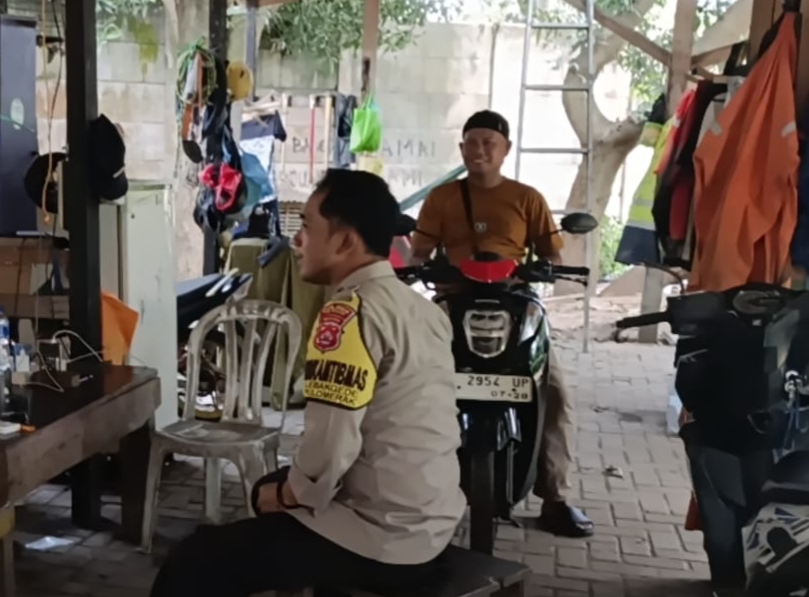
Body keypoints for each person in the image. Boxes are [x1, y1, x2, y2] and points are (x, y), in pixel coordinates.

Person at [150, 170, 464, 597]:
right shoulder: (422, 309)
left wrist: (287, 494)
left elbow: (331, 444)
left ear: (345, 241)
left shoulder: (348, 315)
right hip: (433, 519)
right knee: (271, 493)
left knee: (193, 561)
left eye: (308, 228)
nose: (296, 241)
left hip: (382, 536)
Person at [410, 109, 594, 538]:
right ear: (461, 148)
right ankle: (409, 483)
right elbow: (419, 253)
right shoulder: (442, 198)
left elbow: (553, 256)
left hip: (515, 302)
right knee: (412, 382)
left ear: (505, 148)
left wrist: (541, 270)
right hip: (454, 300)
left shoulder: (527, 198)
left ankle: (556, 498)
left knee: (554, 394)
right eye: (472, 143)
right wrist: (424, 270)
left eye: (488, 143)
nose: (479, 150)